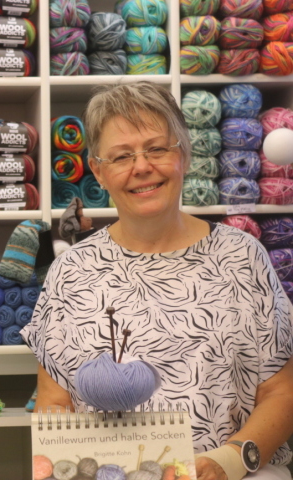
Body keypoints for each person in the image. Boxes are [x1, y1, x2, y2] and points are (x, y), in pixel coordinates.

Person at [21, 82, 293, 480]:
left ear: (183, 155)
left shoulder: (242, 257)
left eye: (157, 149)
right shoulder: (72, 270)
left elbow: (280, 393)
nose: (141, 167)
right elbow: (55, 404)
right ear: (98, 171)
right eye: (121, 156)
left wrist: (230, 461)